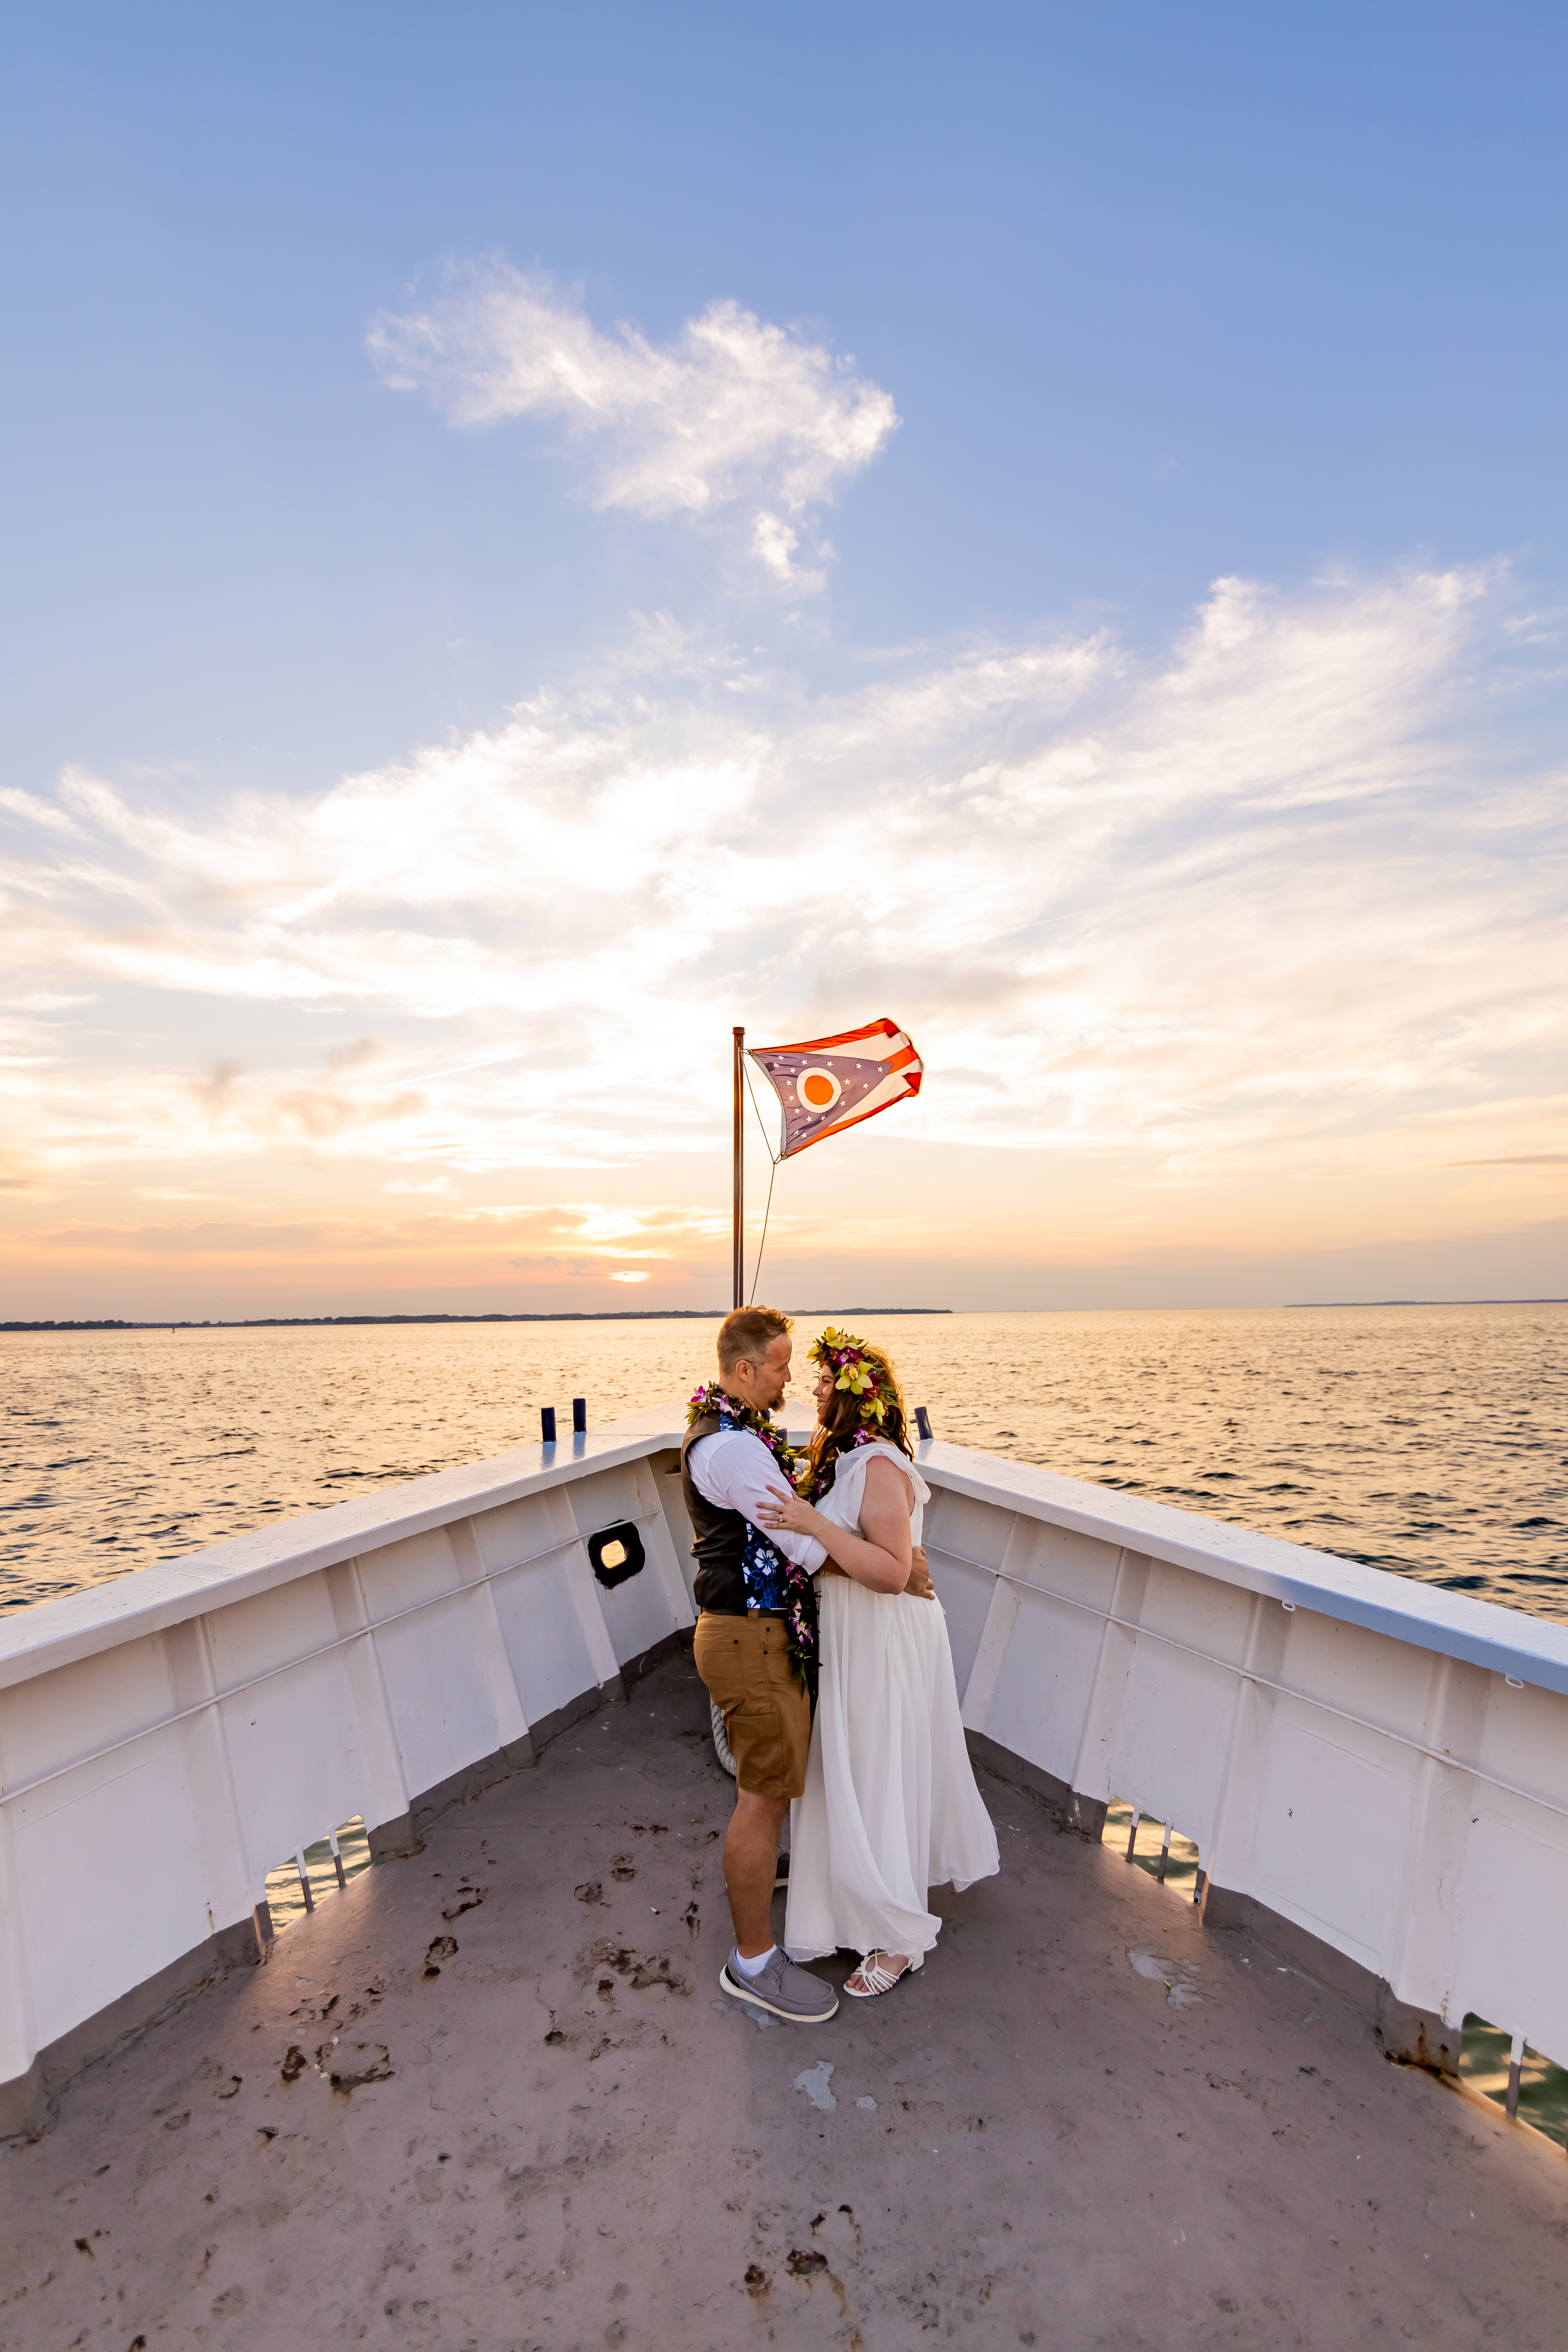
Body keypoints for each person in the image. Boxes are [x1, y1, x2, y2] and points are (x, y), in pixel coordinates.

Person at [683, 1305, 935, 2026]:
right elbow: (802, 1545)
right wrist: (899, 1571)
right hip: (748, 1637)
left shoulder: (744, 1437)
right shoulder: (733, 1451)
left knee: (780, 1786)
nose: (793, 1378)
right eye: (783, 1365)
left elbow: (806, 1513)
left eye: (805, 1369)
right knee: (762, 1798)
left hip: (765, 1635)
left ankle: (787, 1891)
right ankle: (754, 1962)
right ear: (744, 1370)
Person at [755, 1326, 999, 1997]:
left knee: (876, 1772)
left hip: (882, 1639)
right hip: (850, 1636)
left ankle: (897, 1938)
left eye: (827, 1385)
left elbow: (893, 1573)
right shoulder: (844, 1459)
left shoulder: (879, 1464)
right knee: (847, 1772)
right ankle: (847, 1902)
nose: (815, 1391)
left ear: (856, 1398)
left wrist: (813, 1524)